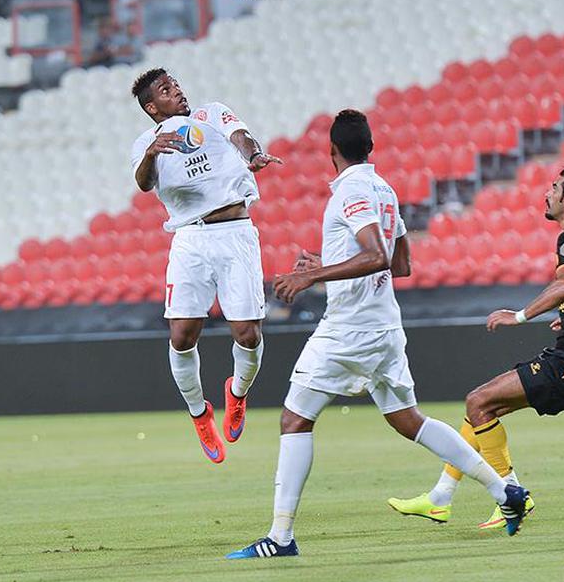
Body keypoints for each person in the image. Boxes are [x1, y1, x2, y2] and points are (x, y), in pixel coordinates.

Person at [225, 110, 528, 560]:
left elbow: (376, 254)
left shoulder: (350, 191)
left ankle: (281, 536)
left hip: (351, 328)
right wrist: (326, 266)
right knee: (409, 420)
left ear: (332, 152)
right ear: (370, 148)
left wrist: (315, 277)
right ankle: (506, 492)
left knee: (294, 419)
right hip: (384, 325)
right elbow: (401, 263)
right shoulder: (383, 189)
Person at [388, 166, 564, 530]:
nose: (547, 194)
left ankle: (511, 493)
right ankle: (440, 498)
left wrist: (519, 315)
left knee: (478, 401)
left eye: (554, 188)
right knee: (482, 407)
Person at [130, 68, 282, 464]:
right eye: (166, 89)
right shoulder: (146, 143)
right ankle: (200, 415)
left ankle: (238, 393)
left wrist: (254, 155)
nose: (177, 90)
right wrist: (150, 154)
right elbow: (144, 184)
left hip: (235, 233)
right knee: (181, 336)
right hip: (190, 240)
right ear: (152, 107)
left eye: (175, 83)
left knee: (248, 334)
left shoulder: (211, 114)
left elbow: (241, 137)